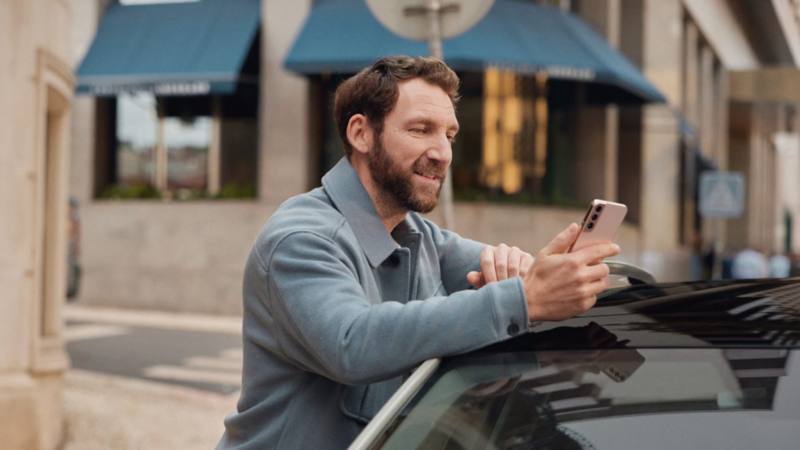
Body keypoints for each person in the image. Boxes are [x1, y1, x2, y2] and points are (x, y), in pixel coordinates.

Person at [215, 55, 619, 449]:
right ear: (361, 134)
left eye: (449, 135)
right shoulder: (301, 239)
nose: (442, 152)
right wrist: (524, 298)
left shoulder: (420, 236)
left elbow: (512, 297)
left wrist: (542, 277)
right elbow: (352, 344)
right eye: (421, 129)